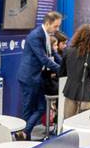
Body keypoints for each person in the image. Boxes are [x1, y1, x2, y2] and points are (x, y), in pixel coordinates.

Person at [17, 11, 63, 139]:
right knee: (28, 109)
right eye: (55, 26)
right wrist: (62, 70)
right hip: (29, 77)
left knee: (42, 107)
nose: (57, 29)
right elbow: (44, 59)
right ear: (47, 23)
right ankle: (24, 138)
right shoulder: (35, 36)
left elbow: (53, 55)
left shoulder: (46, 35)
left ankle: (24, 133)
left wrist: (65, 66)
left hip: (38, 78)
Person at [59, 24, 90, 118]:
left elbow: (62, 73)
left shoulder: (68, 51)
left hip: (70, 92)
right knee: (84, 123)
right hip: (86, 95)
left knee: (68, 122)